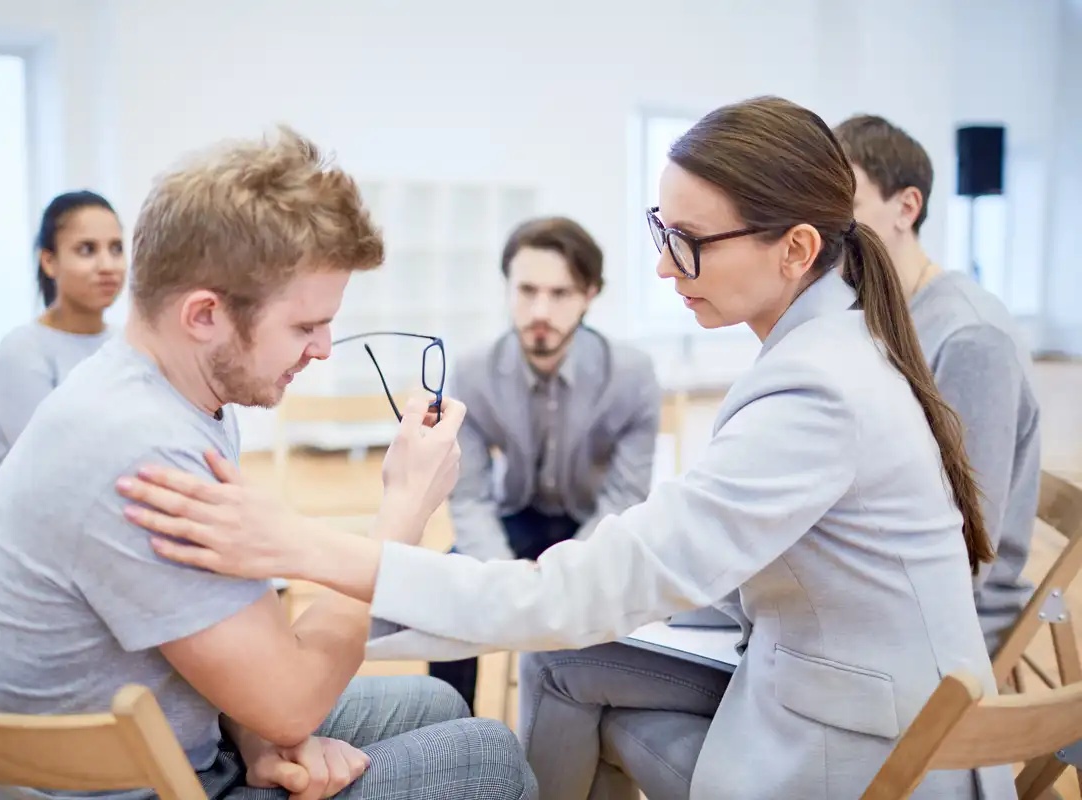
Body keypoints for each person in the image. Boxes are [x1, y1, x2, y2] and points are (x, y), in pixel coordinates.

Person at [117, 97, 1021, 800]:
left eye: (688, 243)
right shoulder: (825, 351)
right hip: (804, 668)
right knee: (557, 657)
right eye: (658, 233)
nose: (664, 267)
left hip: (863, 740)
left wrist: (307, 547)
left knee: (534, 671)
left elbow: (591, 579)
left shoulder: (817, 389)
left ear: (796, 249)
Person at [0, 127, 536, 800]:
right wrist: (403, 509)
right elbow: (293, 701)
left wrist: (256, 735)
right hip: (126, 781)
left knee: (435, 704)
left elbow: (236, 637)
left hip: (168, 735)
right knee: (488, 755)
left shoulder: (172, 393)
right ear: (204, 315)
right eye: (305, 327)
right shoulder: (144, 449)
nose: (323, 350)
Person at [429, 216, 661, 712]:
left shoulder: (632, 376)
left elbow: (624, 497)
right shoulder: (470, 373)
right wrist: (501, 576)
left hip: (596, 523)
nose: (540, 310)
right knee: (447, 589)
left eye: (560, 293)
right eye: (527, 290)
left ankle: (601, 722)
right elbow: (469, 496)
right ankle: (448, 734)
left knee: (628, 592)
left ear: (590, 294)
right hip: (516, 517)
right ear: (507, 289)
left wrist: (564, 578)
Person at [834, 113, 1042, 656]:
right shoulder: (878, 313)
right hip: (883, 587)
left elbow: (968, 546)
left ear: (907, 207)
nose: (825, 229)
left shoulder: (971, 337)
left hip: (943, 625)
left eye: (845, 209)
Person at [0, 190, 127, 505]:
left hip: (99, 513)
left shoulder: (127, 346)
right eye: (87, 250)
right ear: (49, 261)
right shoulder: (20, 352)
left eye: (116, 248)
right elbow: (54, 468)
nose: (107, 265)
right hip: (23, 532)